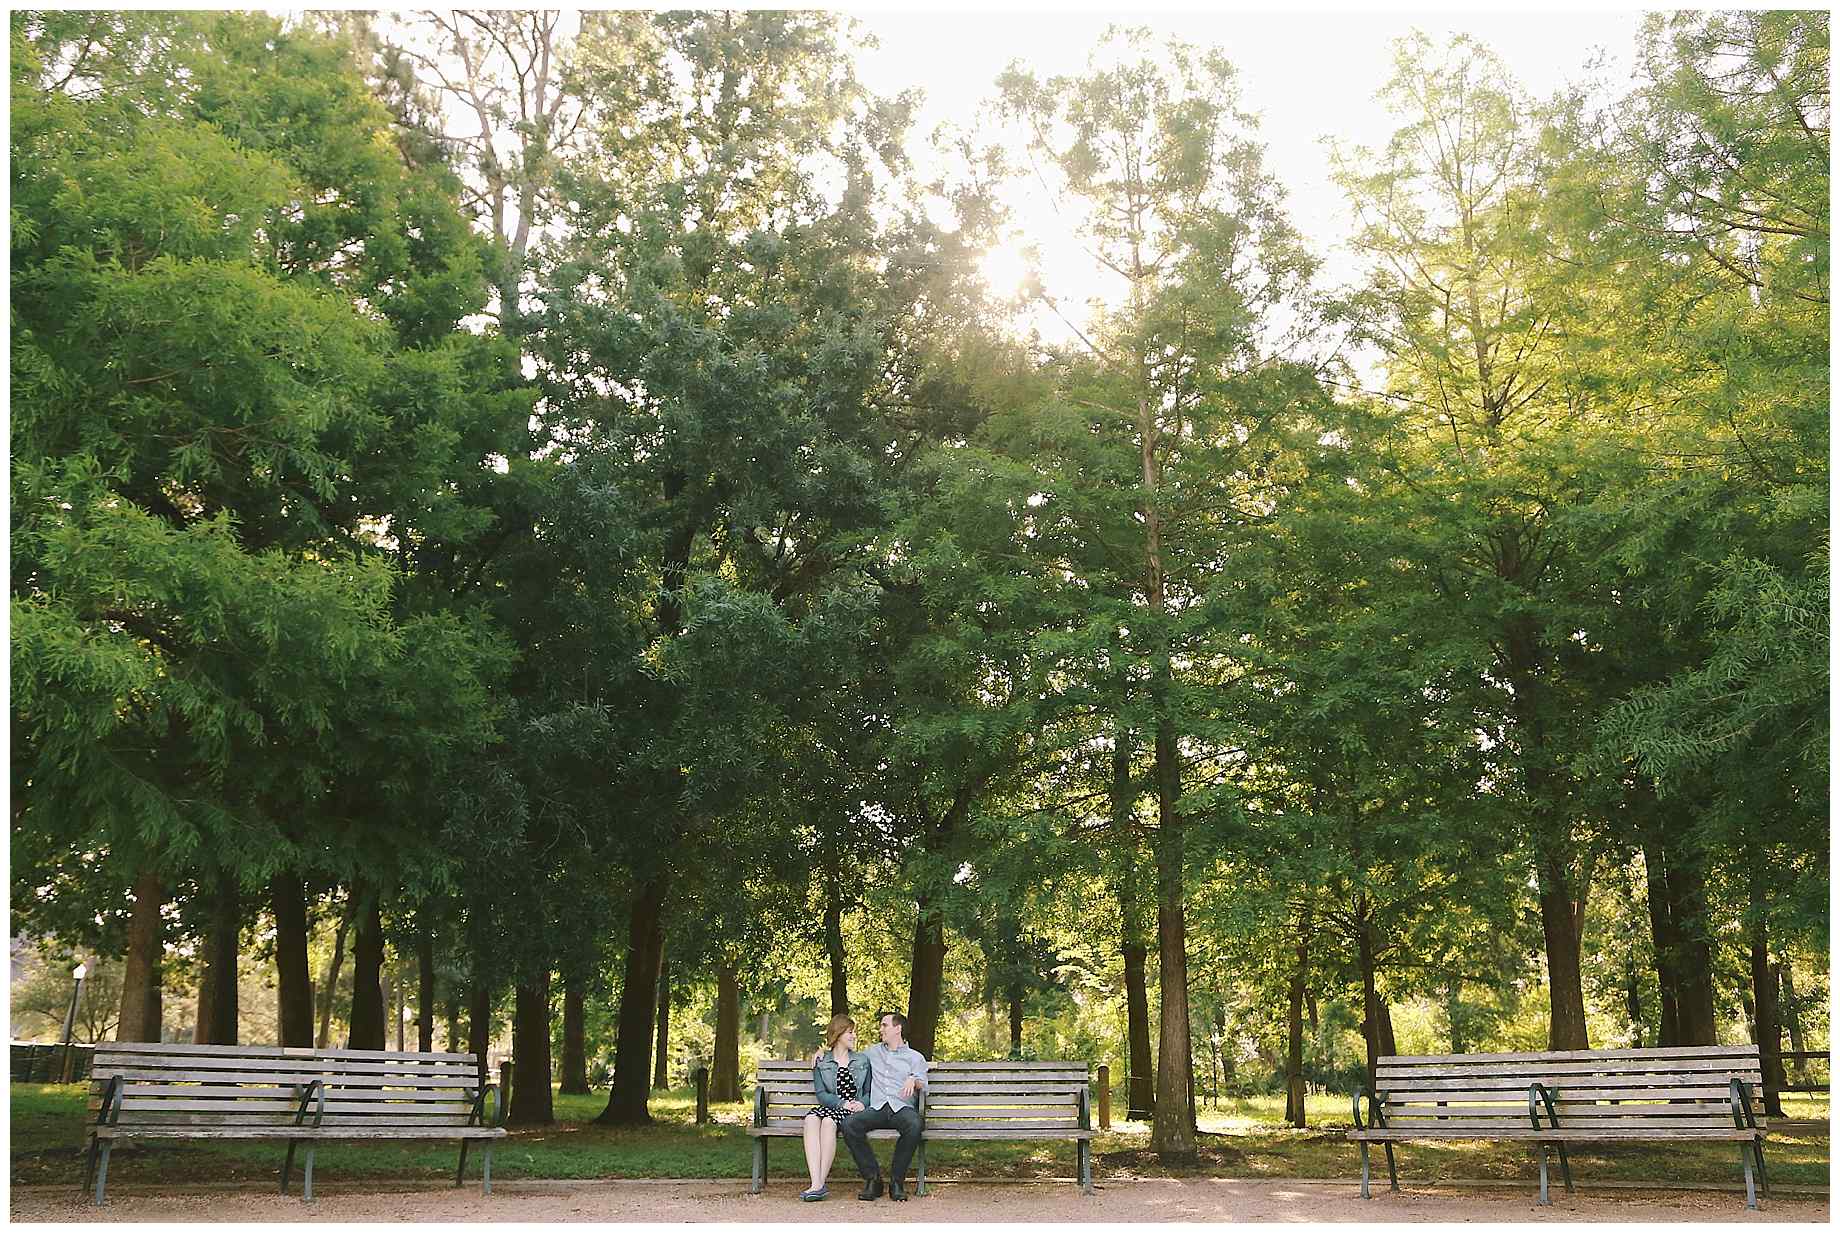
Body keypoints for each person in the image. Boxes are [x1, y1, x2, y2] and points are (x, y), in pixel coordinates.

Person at [839, 1010, 928, 1201]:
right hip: (877, 1108)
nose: (881, 1029)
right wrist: (823, 1052)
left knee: (914, 1125)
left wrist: (913, 1079)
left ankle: (897, 1182)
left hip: (901, 1108)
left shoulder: (915, 1057)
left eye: (884, 1025)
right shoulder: (872, 1052)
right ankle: (873, 1179)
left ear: (898, 1029)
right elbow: (843, 1054)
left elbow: (923, 1084)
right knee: (849, 1124)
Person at [800, 1014, 868, 1201]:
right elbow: (821, 1094)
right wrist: (841, 1103)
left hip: (852, 1110)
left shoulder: (862, 1060)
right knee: (811, 1119)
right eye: (850, 1032)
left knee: (829, 1122)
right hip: (834, 1106)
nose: (854, 1036)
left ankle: (818, 1185)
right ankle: (816, 1183)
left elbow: (869, 1092)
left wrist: (861, 1103)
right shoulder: (822, 1061)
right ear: (838, 1035)